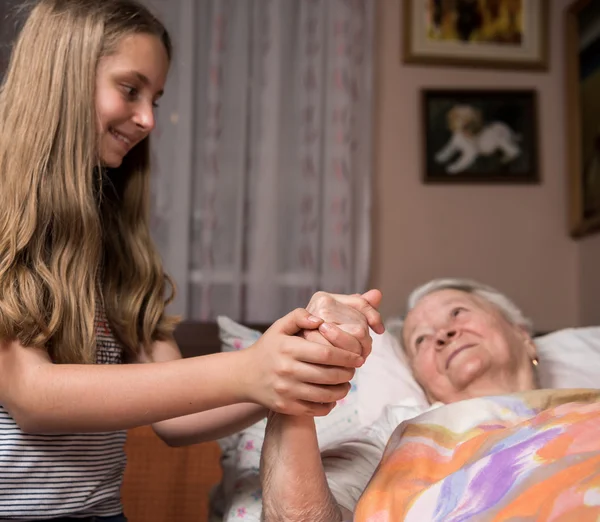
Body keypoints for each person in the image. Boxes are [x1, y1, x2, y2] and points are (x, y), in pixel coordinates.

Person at [0, 1, 383, 520]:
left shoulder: (113, 235)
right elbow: (33, 397)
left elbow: (177, 419)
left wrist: (294, 363)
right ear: (61, 76)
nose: (148, 119)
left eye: (155, 98)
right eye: (130, 90)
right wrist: (251, 369)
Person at [260, 278, 600, 521]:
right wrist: (301, 368)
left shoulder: (587, 404)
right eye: (421, 339)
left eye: (457, 313)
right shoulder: (404, 430)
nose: (443, 334)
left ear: (522, 334)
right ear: (423, 380)